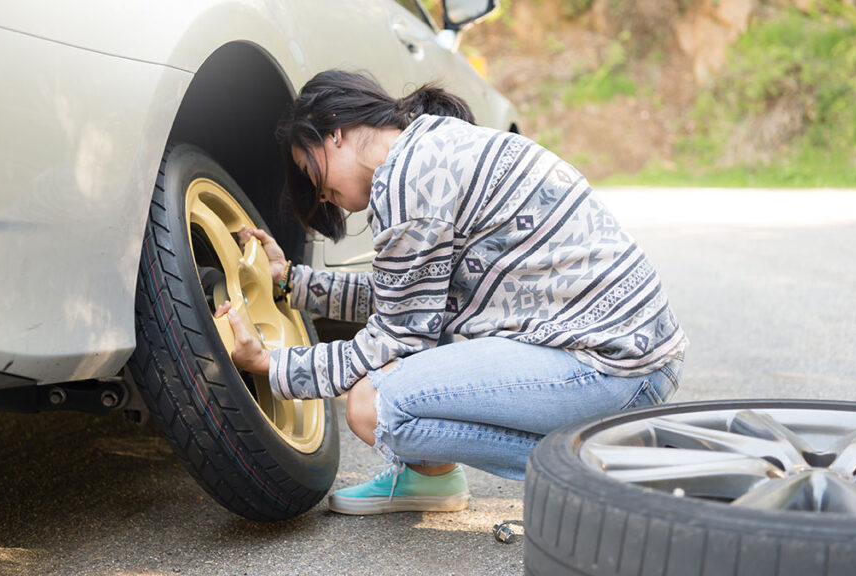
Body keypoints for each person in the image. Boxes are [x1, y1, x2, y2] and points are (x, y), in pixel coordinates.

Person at [213, 69, 687, 516]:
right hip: (635, 356)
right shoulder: (428, 146)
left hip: (609, 368)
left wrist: (272, 365)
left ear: (333, 131)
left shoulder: (407, 183)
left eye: (307, 168)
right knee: (395, 376)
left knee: (374, 405)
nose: (317, 194)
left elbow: (395, 339)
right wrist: (291, 282)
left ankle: (609, 465)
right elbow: (406, 299)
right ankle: (432, 477)